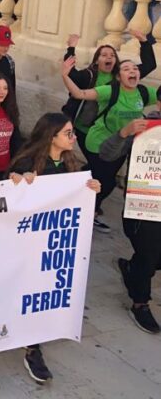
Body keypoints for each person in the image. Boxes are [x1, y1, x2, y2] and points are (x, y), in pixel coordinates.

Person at [9, 113, 102, 381]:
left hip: (54, 243)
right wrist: (17, 181)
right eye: (69, 133)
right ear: (52, 137)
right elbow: (9, 196)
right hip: (28, 242)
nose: (73, 138)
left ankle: (36, 339)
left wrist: (91, 190)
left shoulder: (72, 164)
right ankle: (30, 345)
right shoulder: (28, 162)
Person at [61, 56, 157, 231]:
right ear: (119, 77)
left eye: (134, 68)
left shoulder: (143, 92)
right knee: (105, 182)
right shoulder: (110, 90)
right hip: (99, 143)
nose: (132, 71)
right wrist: (65, 75)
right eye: (126, 68)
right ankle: (89, 213)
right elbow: (80, 94)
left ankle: (75, 189)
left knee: (99, 175)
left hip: (120, 146)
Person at [100, 117, 161, 334]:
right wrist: (123, 133)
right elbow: (106, 154)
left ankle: (132, 268)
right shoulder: (143, 128)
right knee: (149, 254)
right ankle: (140, 303)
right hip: (145, 207)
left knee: (154, 259)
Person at [61, 30, 156, 156]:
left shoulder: (122, 75)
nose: (109, 57)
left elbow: (149, 65)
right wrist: (71, 47)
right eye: (104, 55)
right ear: (96, 61)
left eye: (112, 55)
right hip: (86, 127)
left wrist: (144, 42)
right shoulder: (88, 75)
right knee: (94, 158)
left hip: (111, 131)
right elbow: (70, 72)